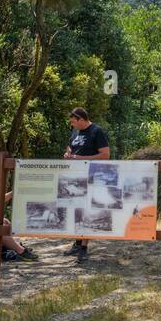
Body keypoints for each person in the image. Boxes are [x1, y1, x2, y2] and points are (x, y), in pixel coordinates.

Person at [62, 107, 109, 263]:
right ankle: (76, 243)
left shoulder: (96, 131)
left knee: (87, 210)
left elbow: (105, 155)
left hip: (92, 175)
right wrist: (68, 154)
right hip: (75, 176)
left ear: (81, 119)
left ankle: (84, 248)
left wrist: (80, 158)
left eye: (74, 122)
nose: (72, 125)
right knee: (76, 209)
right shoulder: (75, 132)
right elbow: (71, 147)